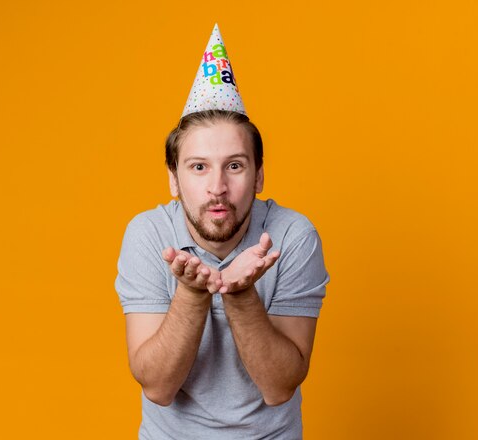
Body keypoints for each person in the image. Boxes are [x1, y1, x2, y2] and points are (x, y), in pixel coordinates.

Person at [115, 25, 329, 440]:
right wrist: (193, 294)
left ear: (259, 175)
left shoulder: (293, 237)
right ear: (174, 180)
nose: (217, 187)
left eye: (234, 165)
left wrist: (241, 295)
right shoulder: (147, 234)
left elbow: (279, 386)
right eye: (199, 166)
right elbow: (158, 388)